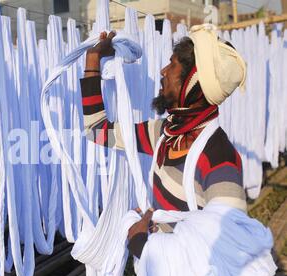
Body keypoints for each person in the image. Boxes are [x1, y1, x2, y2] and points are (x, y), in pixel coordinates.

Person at [80, 27, 247, 258]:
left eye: (172, 65)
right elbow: (97, 131)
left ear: (192, 83)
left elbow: (230, 254)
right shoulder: (165, 135)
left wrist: (140, 243)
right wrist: (93, 60)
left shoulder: (219, 160)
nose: (163, 71)